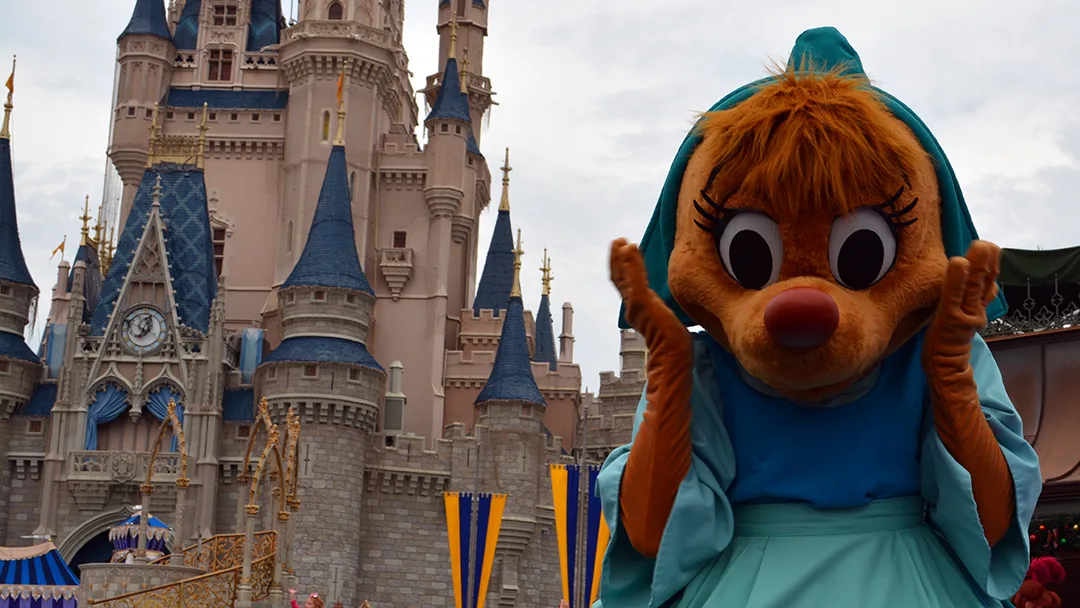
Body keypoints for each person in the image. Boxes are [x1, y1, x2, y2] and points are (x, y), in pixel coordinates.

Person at [595, 26, 1042, 608]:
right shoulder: (702, 371)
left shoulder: (941, 356)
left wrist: (953, 388)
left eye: (862, 255)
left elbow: (992, 524)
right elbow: (651, 539)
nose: (802, 303)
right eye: (750, 255)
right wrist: (667, 394)